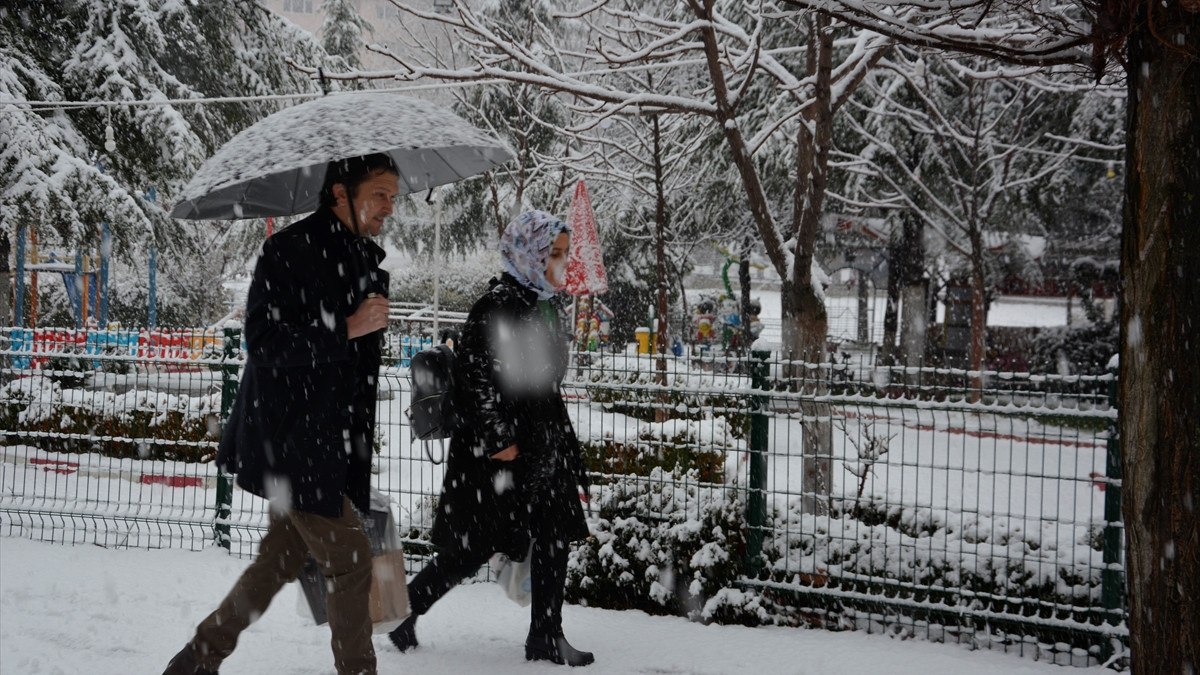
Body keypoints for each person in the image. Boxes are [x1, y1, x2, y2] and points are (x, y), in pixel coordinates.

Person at [162, 154, 399, 675]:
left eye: (393, 195)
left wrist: (365, 325)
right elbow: (264, 342)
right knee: (352, 558)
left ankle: (198, 659)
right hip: (292, 437)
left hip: (327, 440)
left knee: (281, 558)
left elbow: (349, 361)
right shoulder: (287, 250)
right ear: (340, 193)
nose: (389, 205)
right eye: (380, 193)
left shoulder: (362, 257)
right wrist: (347, 328)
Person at [388, 210, 594, 667]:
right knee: (470, 548)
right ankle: (404, 610)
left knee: (554, 532)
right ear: (530, 254)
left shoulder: (543, 304)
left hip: (542, 444)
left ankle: (545, 635)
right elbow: (476, 377)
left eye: (563, 253)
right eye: (553, 254)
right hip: (498, 455)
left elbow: (545, 376)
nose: (562, 263)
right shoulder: (496, 305)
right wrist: (501, 439)